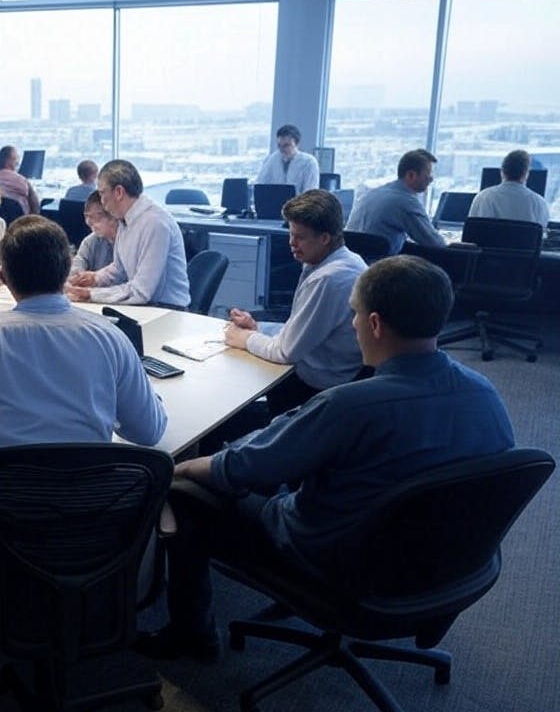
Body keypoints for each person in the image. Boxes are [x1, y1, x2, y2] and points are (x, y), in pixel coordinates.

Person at [136, 255, 515, 661]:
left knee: (184, 490)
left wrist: (175, 467)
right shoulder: (486, 394)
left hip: (338, 560)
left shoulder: (350, 406)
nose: (352, 325)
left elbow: (240, 469)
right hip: (439, 563)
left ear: (374, 323)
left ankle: (193, 636)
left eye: (354, 315)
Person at [0, 215, 167, 459]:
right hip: (92, 495)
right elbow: (149, 432)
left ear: (4, 279)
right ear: (68, 269)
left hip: (5, 497)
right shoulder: (110, 337)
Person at [224, 189, 367, 416]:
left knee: (229, 388)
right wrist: (258, 328)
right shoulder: (343, 259)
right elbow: (303, 330)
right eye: (291, 234)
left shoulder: (329, 279)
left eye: (300, 237)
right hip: (327, 371)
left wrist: (245, 338)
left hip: (315, 387)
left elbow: (285, 353)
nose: (291, 243)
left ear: (324, 238)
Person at [66, 159, 191, 308]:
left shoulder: (155, 223)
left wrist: (90, 294)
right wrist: (95, 278)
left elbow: (141, 291)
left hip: (165, 310)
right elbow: (120, 268)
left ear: (119, 192)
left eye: (102, 193)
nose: (102, 201)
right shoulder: (126, 220)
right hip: (148, 307)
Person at [346, 149, 446, 255]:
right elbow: (435, 243)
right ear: (411, 175)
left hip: (354, 262)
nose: (431, 180)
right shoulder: (406, 201)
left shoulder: (372, 193)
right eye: (428, 175)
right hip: (380, 267)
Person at [468, 150, 550, 231]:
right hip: (521, 244)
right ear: (526, 174)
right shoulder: (540, 204)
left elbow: (471, 234)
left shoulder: (482, 197)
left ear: (502, 172)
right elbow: (540, 237)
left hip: (489, 244)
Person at [255, 124, 320, 194]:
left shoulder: (309, 162)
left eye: (286, 145)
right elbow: (260, 186)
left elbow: (311, 193)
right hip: (274, 203)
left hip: (299, 204)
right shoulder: (270, 160)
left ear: (297, 144)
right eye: (279, 145)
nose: (282, 149)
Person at [70, 191, 116, 274]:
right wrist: (77, 274)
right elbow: (79, 262)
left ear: (113, 215)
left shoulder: (130, 243)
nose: (89, 222)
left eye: (98, 216)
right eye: (87, 216)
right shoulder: (90, 241)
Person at [0, 145, 40, 215]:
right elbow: (35, 205)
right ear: (8, 161)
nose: (18, 162)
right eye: (16, 158)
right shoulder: (22, 180)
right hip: (20, 222)